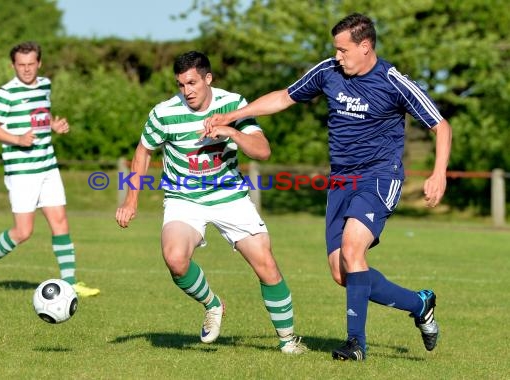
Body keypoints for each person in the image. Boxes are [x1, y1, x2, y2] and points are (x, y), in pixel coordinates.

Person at [204, 13, 452, 360]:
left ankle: (355, 343)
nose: (338, 56)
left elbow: (440, 125)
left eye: (343, 49)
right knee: (342, 272)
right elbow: (283, 97)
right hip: (340, 181)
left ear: (365, 47)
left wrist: (438, 172)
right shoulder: (328, 72)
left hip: (380, 177)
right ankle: (419, 303)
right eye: (335, 49)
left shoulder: (393, 81)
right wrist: (231, 117)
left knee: (353, 251)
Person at [115, 51, 307, 354]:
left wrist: (229, 130)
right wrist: (131, 199)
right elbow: (143, 150)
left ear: (208, 78)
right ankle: (213, 305)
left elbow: (262, 151)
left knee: (266, 265)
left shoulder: (232, 104)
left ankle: (288, 341)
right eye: (180, 85)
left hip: (230, 197)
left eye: (192, 83)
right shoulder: (163, 113)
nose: (186, 91)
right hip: (183, 198)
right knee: (176, 259)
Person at [0, 41, 99, 297]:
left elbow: (41, 115)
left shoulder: (45, 85)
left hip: (48, 165)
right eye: (21, 65)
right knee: (23, 231)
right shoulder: (6, 93)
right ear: (13, 65)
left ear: (39, 63)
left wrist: (54, 125)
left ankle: (70, 283)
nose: (27, 69)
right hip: (21, 171)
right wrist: (18, 139)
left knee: (60, 222)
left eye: (31, 64)